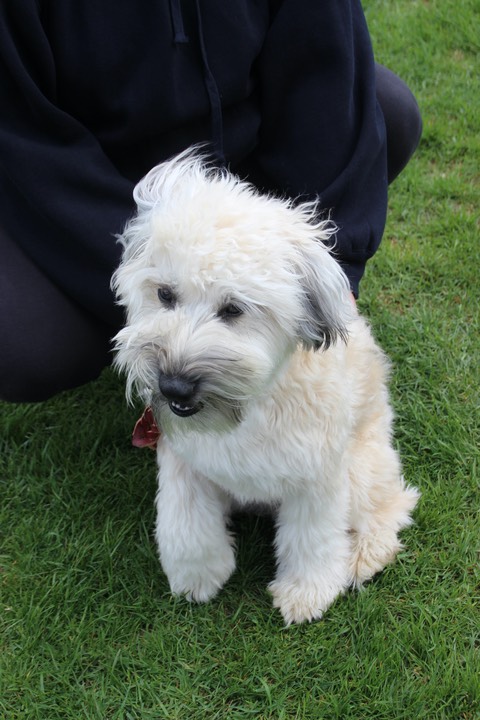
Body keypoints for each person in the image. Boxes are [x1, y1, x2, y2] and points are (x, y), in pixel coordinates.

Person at [0, 0, 422, 403]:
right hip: (79, 188)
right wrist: (147, 261)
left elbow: (322, 62)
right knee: (24, 345)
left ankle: (229, 312)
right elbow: (22, 131)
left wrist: (327, 268)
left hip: (244, 155)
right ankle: (155, 309)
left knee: (389, 111)